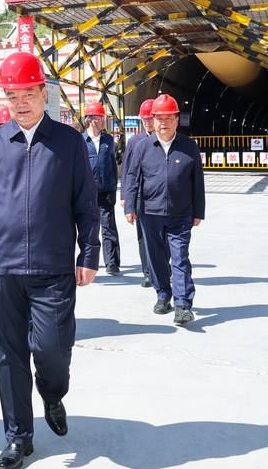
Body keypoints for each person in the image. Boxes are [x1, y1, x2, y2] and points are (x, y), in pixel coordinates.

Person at [0, 52, 100, 469]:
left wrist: (89, 254)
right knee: (8, 354)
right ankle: (18, 438)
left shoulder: (68, 141)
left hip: (53, 266)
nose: (20, 102)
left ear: (44, 93)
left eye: (28, 92)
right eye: (12, 94)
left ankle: (53, 393)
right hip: (2, 268)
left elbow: (87, 204)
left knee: (52, 348)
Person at [123, 95, 205, 326]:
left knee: (179, 258)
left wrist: (198, 211)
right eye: (159, 118)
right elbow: (132, 178)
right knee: (156, 258)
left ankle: (183, 304)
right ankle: (162, 295)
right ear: (153, 120)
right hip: (150, 213)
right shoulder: (142, 147)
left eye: (168, 118)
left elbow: (197, 182)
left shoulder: (189, 146)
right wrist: (130, 205)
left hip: (181, 214)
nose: (163, 123)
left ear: (177, 120)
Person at [120, 99, 156, 288]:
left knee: (162, 236)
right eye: (145, 119)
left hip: (159, 196)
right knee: (142, 237)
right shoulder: (134, 141)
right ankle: (148, 273)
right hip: (141, 196)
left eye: (150, 118)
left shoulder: (164, 139)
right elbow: (127, 171)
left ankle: (162, 268)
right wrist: (126, 197)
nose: (147, 122)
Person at [83, 102, 121, 275]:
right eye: (99, 117)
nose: (103, 121)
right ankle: (89, 262)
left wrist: (113, 185)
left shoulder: (108, 141)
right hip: (87, 193)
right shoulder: (81, 141)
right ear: (90, 120)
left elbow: (113, 165)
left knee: (108, 227)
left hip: (106, 191)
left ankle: (111, 262)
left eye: (103, 117)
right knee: (89, 229)